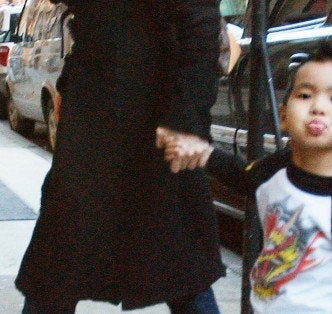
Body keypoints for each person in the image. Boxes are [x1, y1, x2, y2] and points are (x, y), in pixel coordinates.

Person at [15, 1, 225, 313]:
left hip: (156, 110)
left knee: (180, 265)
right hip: (94, 112)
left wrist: (185, 122)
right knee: (57, 261)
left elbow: (199, 28)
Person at [161, 45, 332, 313]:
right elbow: (243, 175)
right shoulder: (276, 169)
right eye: (305, 95)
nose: (318, 107)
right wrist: (203, 153)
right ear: (283, 117)